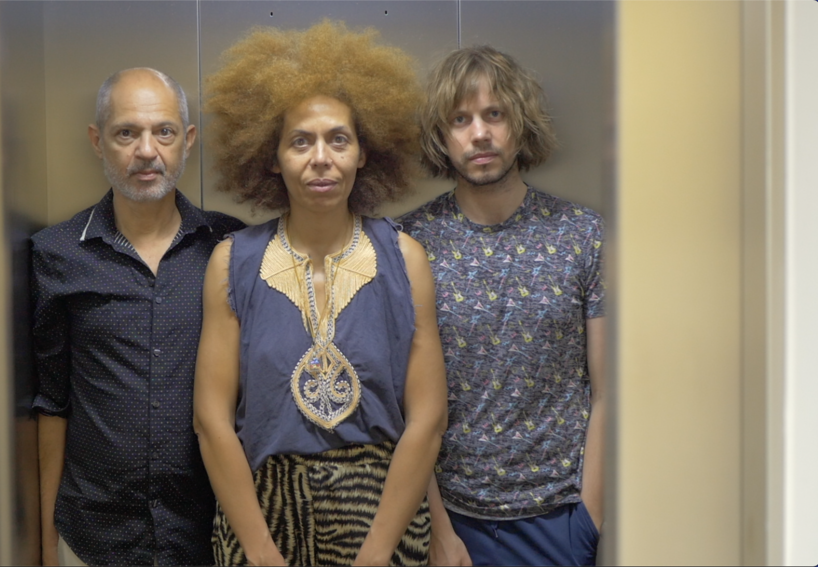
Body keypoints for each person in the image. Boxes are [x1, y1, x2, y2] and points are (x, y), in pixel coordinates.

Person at [193, 21, 448, 566]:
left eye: (339, 139)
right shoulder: (230, 263)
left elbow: (427, 420)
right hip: (260, 515)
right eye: (300, 141)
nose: (321, 158)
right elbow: (211, 422)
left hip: (385, 515)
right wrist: (261, 554)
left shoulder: (406, 260)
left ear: (363, 153)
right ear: (271, 157)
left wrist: (378, 553)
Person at [401, 46, 606, 566]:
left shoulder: (582, 235)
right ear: (441, 136)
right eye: (460, 119)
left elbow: (609, 391)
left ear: (520, 123)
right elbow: (401, 402)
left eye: (494, 114)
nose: (480, 133)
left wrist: (589, 518)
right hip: (450, 521)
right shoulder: (409, 244)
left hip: (558, 519)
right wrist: (436, 527)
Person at [31, 67, 244, 566]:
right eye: (126, 133)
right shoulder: (57, 254)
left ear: (187, 140)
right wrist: (44, 543)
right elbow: (52, 405)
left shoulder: (231, 248)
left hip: (208, 536)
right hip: (93, 537)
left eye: (163, 132)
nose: (146, 151)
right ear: (98, 141)